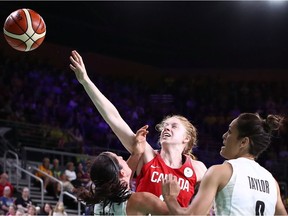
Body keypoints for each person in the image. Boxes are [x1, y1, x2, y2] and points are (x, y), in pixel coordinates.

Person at [69, 50, 207, 207]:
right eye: (165, 126)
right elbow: (114, 120)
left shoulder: (198, 169)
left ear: (186, 138)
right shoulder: (147, 155)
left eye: (174, 126)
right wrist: (86, 81)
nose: (166, 128)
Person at [162, 113, 288, 215]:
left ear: (243, 142)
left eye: (230, 132)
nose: (224, 136)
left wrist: (170, 198)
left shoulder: (220, 172)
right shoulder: (272, 182)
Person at [77, 151, 169, 215]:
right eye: (118, 157)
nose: (121, 157)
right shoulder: (140, 199)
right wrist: (171, 197)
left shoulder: (100, 201)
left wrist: (136, 153)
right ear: (122, 173)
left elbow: (120, 179)